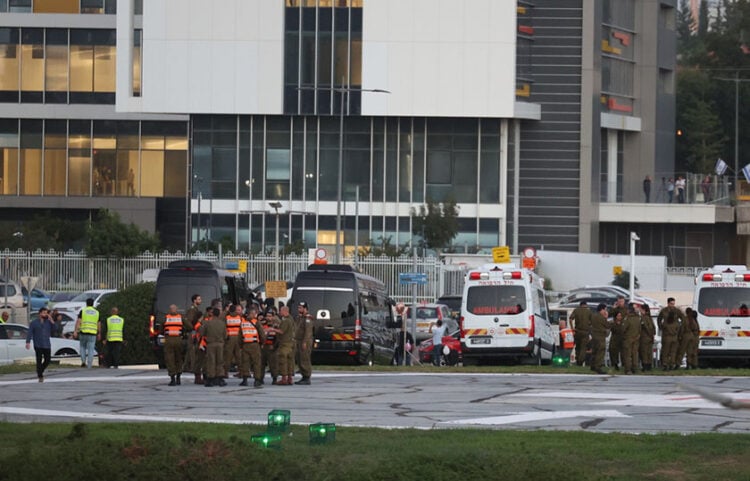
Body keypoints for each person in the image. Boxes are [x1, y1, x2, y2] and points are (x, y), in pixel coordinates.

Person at [25, 307, 55, 382]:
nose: (46, 314)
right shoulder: (34, 323)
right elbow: (30, 333)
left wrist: (51, 320)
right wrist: (28, 342)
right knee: (39, 360)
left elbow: (55, 328)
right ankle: (40, 375)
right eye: (44, 313)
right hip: (38, 344)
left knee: (47, 359)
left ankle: (40, 370)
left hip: (46, 344)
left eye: (46, 313)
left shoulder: (48, 322)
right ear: (40, 313)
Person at [238, 307, 265, 387]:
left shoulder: (242, 323)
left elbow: (239, 336)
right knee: (256, 363)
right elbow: (262, 334)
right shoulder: (256, 322)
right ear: (251, 314)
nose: (255, 315)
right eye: (254, 313)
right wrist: (262, 343)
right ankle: (257, 380)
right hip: (254, 345)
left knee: (245, 362)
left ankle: (245, 380)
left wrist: (240, 345)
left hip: (245, 345)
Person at [163, 304, 188, 386]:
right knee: (179, 358)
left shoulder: (166, 317)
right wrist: (184, 333)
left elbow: (161, 329)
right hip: (178, 340)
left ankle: (172, 379)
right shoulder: (181, 317)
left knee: (170, 359)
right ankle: (178, 378)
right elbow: (189, 326)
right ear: (177, 309)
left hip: (169, 340)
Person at [200, 307, 226, 387]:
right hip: (220, 344)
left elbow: (202, 333)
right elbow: (225, 335)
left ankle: (210, 379)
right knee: (220, 361)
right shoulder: (222, 323)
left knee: (211, 361)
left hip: (211, 344)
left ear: (212, 314)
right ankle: (220, 378)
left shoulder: (208, 323)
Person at [657, 297, 684, 370]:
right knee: (665, 351)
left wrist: (679, 328)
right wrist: (661, 327)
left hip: (674, 335)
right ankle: (665, 365)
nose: (673, 305)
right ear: (668, 303)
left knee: (673, 351)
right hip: (666, 334)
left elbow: (683, 319)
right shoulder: (664, 311)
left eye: (674, 304)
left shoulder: (677, 311)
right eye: (671, 304)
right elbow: (659, 319)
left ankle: (672, 364)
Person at [74, 298, 100, 368]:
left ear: (86, 303)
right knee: (91, 349)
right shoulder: (96, 312)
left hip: (83, 332)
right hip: (92, 333)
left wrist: (75, 331)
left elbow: (78, 321)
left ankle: (83, 361)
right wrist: (99, 333)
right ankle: (89, 365)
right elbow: (98, 323)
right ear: (93, 303)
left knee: (82, 347)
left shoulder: (83, 311)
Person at [183, 294, 203, 378]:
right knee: (192, 349)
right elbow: (189, 321)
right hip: (193, 331)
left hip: (193, 331)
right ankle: (193, 367)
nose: (200, 300)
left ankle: (185, 366)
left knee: (189, 349)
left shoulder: (195, 309)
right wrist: (192, 329)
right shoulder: (192, 310)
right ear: (194, 300)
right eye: (199, 299)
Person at [275, 305, 296, 386]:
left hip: (285, 343)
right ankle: (290, 378)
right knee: (290, 361)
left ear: (285, 311)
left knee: (283, 361)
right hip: (291, 343)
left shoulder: (286, 320)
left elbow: (281, 331)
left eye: (281, 311)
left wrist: (272, 329)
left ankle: (284, 379)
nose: (280, 312)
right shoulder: (291, 319)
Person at [295, 301, 314, 385]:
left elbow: (308, 332)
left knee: (304, 358)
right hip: (298, 340)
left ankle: (307, 376)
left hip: (304, 341)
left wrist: (305, 342)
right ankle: (303, 375)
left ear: (305, 309)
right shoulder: (300, 318)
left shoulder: (307, 318)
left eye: (300, 308)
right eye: (298, 307)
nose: (298, 309)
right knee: (299, 358)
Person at [260, 309, 280, 384]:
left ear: (273, 317)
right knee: (261, 364)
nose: (268, 318)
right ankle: (260, 378)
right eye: (267, 316)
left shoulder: (276, 325)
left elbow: (279, 337)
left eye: (270, 316)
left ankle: (274, 378)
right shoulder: (262, 324)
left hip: (272, 346)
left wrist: (275, 346)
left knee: (273, 364)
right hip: (263, 346)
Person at [570, 300, 592, 366]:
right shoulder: (589, 311)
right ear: (586, 305)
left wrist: (572, 328)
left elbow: (570, 319)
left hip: (577, 331)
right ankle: (580, 361)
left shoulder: (576, 310)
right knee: (583, 347)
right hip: (585, 332)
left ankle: (578, 361)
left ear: (580, 305)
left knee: (578, 347)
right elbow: (592, 321)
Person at [223, 304, 243, 378]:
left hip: (229, 338)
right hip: (238, 338)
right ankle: (241, 372)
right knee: (239, 356)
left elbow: (224, 328)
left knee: (228, 357)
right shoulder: (239, 317)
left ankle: (225, 373)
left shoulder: (227, 317)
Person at [590, 303, 610, 374]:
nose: (605, 311)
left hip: (594, 336)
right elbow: (607, 325)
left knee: (594, 352)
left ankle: (592, 366)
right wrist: (606, 318)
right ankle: (598, 367)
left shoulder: (593, 316)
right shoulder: (601, 317)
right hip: (600, 337)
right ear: (602, 309)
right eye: (605, 310)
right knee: (600, 352)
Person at [621, 303, 640, 375]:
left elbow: (623, 329)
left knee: (627, 355)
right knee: (635, 354)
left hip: (628, 339)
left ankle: (628, 369)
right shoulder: (638, 318)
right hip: (636, 338)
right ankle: (635, 368)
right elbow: (640, 329)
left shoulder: (627, 319)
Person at [638, 303, 656, 372]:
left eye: (641, 309)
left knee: (644, 352)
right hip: (650, 337)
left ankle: (645, 366)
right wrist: (652, 335)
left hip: (645, 337)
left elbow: (646, 327)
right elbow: (653, 328)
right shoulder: (650, 317)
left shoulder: (643, 318)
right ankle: (649, 365)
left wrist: (650, 334)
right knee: (649, 352)